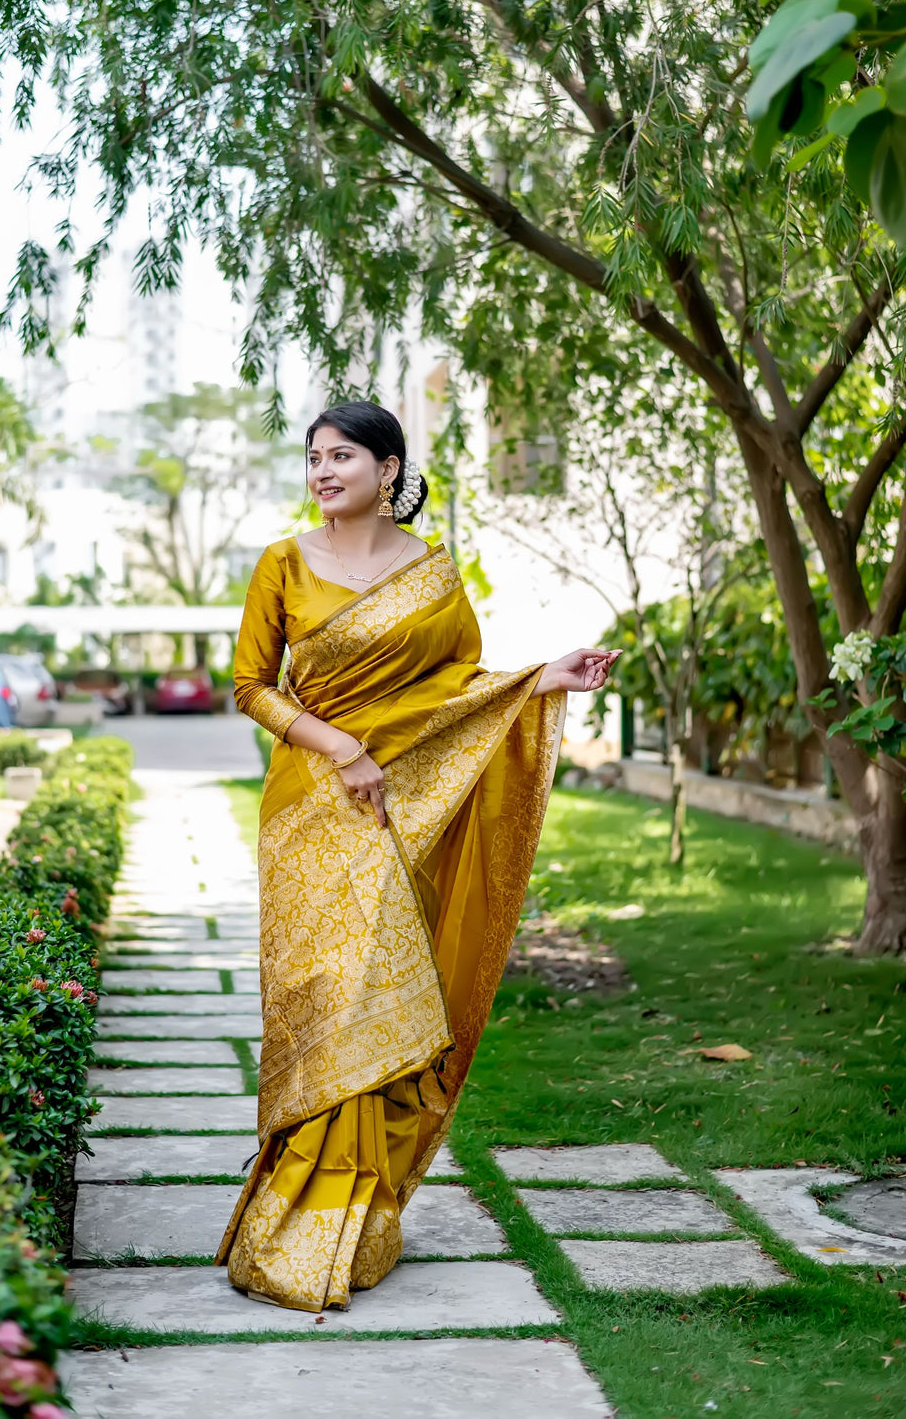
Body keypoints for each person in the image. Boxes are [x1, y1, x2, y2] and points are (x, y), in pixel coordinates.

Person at [215, 400, 618, 1312]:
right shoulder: (282, 563)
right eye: (313, 457)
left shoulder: (432, 579)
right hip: (309, 808)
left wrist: (543, 678)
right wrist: (341, 747)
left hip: (397, 810)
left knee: (378, 998)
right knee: (320, 996)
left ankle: (353, 1222)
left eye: (342, 455)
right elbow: (248, 686)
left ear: (388, 469)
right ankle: (290, 1218)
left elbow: (453, 693)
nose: (322, 471)